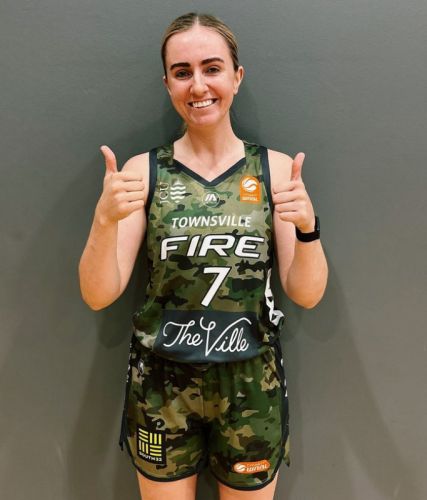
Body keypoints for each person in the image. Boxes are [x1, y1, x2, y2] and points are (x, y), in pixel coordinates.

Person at [79, 11, 328, 500]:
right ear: (168, 84)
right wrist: (103, 222)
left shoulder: (276, 170)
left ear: (236, 76)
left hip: (250, 382)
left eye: (212, 68)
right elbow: (97, 294)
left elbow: (307, 294)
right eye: (182, 72)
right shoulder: (143, 172)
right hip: (162, 385)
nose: (198, 85)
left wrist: (307, 229)